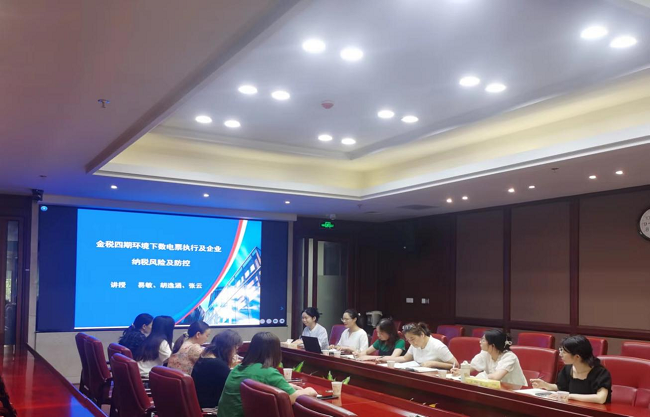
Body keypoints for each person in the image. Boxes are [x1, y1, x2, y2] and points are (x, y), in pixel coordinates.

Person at [217, 332, 317, 417]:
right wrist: (308, 391)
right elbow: (291, 398)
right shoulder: (268, 372)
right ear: (275, 352)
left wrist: (285, 386)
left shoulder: (238, 368)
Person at [531, 335, 611, 404]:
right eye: (561, 350)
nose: (560, 354)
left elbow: (600, 398)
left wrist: (570, 396)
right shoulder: (568, 369)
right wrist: (545, 385)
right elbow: (561, 387)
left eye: (564, 352)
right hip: (572, 408)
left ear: (577, 357)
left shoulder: (600, 373)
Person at [192, 329, 243, 408]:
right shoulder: (217, 364)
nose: (235, 353)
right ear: (228, 348)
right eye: (235, 349)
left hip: (200, 403)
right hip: (211, 407)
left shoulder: (204, 357)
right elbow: (234, 385)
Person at [459, 329, 527, 386]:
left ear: (493, 345)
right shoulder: (485, 353)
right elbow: (470, 368)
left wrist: (478, 378)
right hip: (496, 388)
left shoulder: (509, 357)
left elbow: (495, 377)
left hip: (516, 392)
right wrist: (459, 372)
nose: (480, 342)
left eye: (483, 340)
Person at [379, 322, 456, 369]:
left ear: (422, 335)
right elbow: (405, 358)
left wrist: (433, 363)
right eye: (408, 340)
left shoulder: (438, 346)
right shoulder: (414, 344)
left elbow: (455, 365)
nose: (411, 342)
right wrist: (385, 359)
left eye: (412, 339)